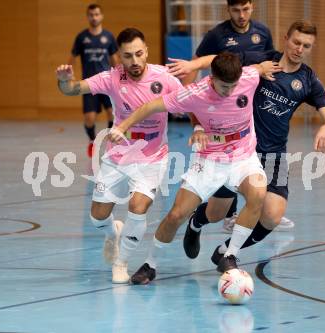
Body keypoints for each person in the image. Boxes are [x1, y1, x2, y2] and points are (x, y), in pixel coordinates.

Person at [176, 20, 325, 270]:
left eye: (306, 45)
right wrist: (191, 65)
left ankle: (226, 252)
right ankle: (195, 224)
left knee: (272, 215)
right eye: (296, 42)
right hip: (239, 152)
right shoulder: (260, 60)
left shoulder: (307, 80)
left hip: (273, 155)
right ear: (286, 39)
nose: (299, 49)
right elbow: (217, 59)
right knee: (217, 213)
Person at [109, 52, 271, 285]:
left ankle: (230, 255)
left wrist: (266, 66)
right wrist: (122, 126)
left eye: (233, 86)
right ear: (212, 78)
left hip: (243, 157)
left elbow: (260, 68)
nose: (229, 92)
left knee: (257, 195)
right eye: (224, 86)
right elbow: (150, 106)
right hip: (209, 160)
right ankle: (150, 265)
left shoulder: (248, 77)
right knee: (176, 214)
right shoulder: (195, 93)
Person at [56, 28, 183, 283]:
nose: (134, 61)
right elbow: (71, 89)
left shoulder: (165, 78)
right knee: (98, 216)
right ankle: (113, 234)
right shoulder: (111, 78)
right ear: (119, 57)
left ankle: (121, 261)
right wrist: (63, 80)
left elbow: (191, 101)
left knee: (138, 207)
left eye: (138, 54)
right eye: (128, 56)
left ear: (146, 50)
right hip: (118, 156)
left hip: (153, 156)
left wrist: (201, 128)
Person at [178, 0, 294, 232]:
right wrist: (188, 105)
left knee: (254, 157)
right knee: (229, 164)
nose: (241, 15)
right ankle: (227, 213)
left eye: (246, 9)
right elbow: (197, 65)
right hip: (223, 109)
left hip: (252, 104)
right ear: (228, 10)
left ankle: (261, 207)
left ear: (252, 7)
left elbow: (268, 65)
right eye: (235, 10)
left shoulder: (262, 32)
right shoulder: (216, 36)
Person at [68, 3, 119, 157]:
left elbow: (114, 60)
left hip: (107, 84)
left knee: (113, 113)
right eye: (91, 15)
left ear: (101, 16)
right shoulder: (82, 38)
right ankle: (92, 140)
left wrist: (119, 78)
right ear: (88, 17)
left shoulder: (109, 37)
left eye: (97, 14)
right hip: (89, 85)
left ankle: (110, 142)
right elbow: (72, 58)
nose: (94, 17)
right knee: (89, 118)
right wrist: (70, 76)